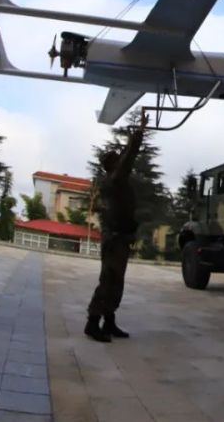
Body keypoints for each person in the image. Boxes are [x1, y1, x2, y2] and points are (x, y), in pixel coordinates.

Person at [85, 110, 148, 343]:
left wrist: (134, 135)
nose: (119, 160)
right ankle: (93, 323)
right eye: (116, 159)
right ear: (112, 165)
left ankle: (109, 321)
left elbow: (124, 157)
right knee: (109, 281)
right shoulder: (115, 179)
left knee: (116, 281)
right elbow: (128, 156)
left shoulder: (113, 179)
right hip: (115, 239)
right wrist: (139, 133)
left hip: (119, 238)